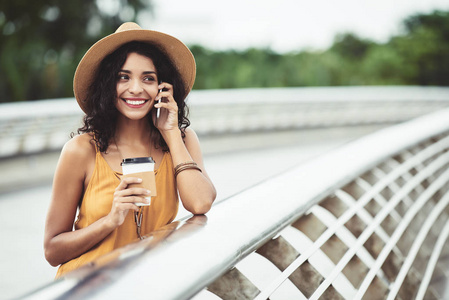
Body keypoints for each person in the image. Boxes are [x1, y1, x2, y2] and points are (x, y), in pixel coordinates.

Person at [43, 22, 216, 278]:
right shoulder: (81, 151)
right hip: (88, 291)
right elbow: (52, 251)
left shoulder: (182, 140)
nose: (136, 88)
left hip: (147, 288)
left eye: (148, 78)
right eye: (123, 77)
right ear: (106, 85)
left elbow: (200, 202)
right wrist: (110, 221)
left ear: (163, 86)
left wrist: (170, 133)